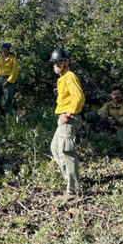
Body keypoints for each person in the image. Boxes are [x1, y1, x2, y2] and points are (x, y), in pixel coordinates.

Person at [49, 48, 85, 200]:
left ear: (66, 62)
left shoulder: (70, 76)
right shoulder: (62, 78)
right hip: (63, 118)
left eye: (58, 63)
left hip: (69, 118)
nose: (55, 66)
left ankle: (73, 191)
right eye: (54, 63)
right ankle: (70, 179)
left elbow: (79, 97)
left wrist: (69, 114)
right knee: (55, 148)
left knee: (66, 150)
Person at [0, 42, 18, 119]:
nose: (4, 50)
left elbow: (14, 72)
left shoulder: (12, 60)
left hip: (8, 80)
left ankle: (9, 120)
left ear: (9, 50)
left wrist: (8, 81)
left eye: (6, 48)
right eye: (3, 48)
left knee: (8, 100)